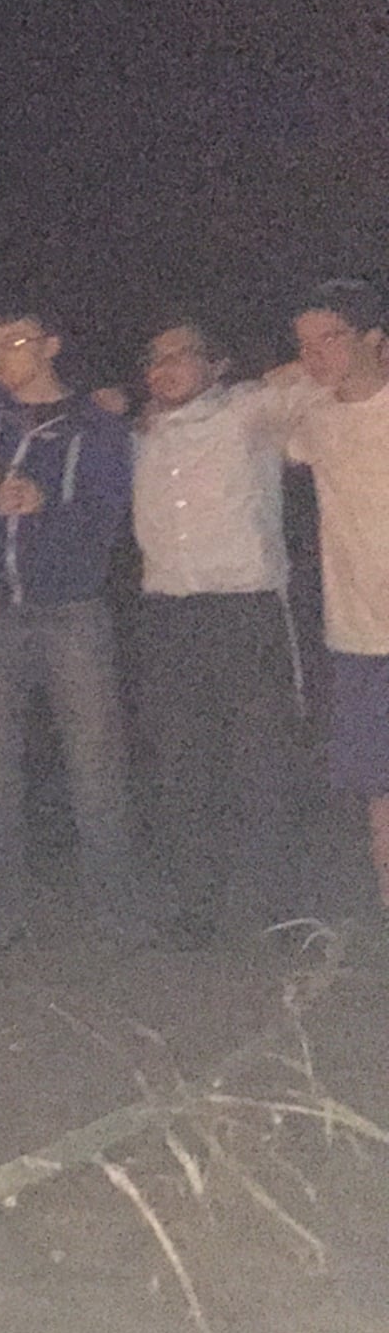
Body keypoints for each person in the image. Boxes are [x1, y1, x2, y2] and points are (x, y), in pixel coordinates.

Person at [131, 315, 314, 946]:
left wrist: (293, 368)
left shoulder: (248, 411)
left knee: (263, 764)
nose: (165, 368)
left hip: (245, 610)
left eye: (181, 355)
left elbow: (324, 383)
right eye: (155, 358)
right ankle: (196, 907)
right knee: (182, 765)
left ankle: (281, 909)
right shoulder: (141, 432)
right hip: (167, 615)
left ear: (217, 365)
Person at [0, 309, 138, 937]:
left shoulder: (98, 425)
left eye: (15, 342)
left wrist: (46, 507)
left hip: (73, 611)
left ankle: (115, 908)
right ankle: (2, 909)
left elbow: (109, 519)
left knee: (94, 763)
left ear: (51, 346)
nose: (1, 355)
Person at [284, 278, 389, 918]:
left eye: (331, 338)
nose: (315, 355)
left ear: (375, 339)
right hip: (357, 636)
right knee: (378, 786)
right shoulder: (314, 419)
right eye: (304, 344)